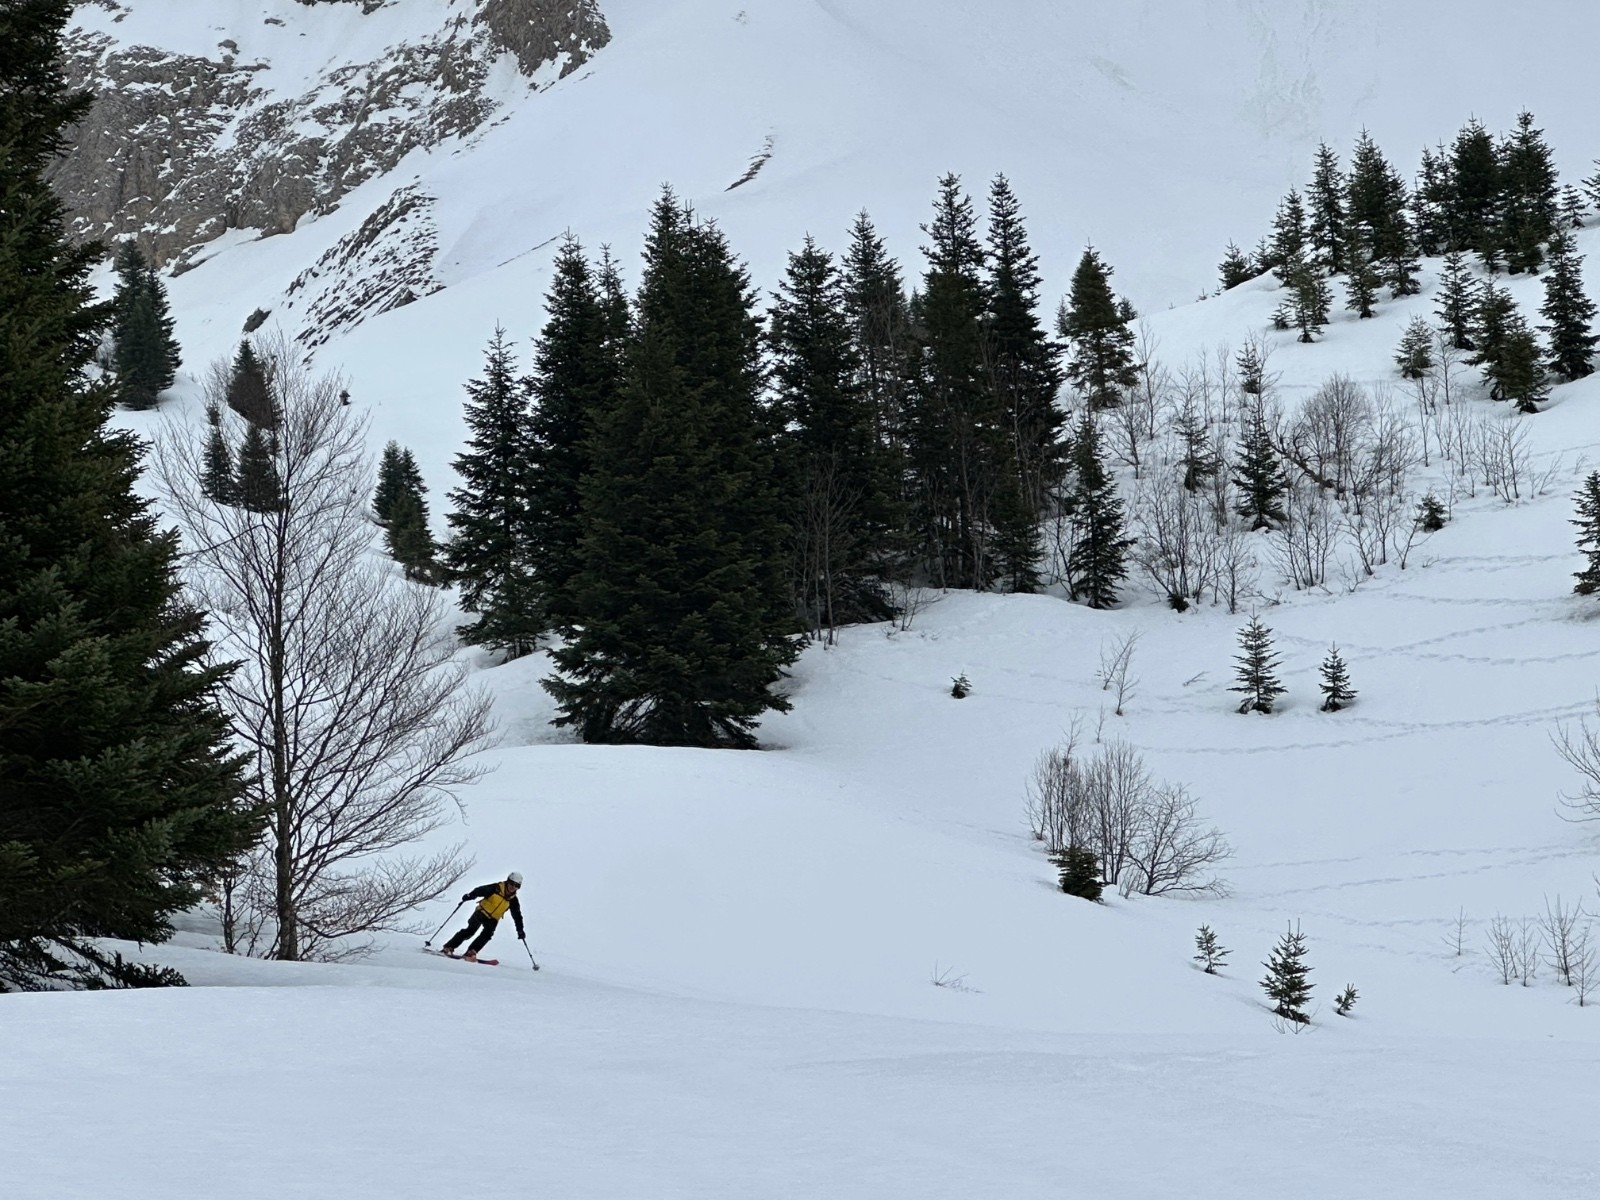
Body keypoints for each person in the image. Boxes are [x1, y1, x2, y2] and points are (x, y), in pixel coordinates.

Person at [441, 872, 526, 961]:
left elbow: (517, 916)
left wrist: (520, 930)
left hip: (493, 919)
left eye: (516, 886)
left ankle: (471, 952)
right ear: (507, 882)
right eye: (511, 883)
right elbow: (480, 890)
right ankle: (448, 947)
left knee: (487, 934)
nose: (513, 887)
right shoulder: (496, 888)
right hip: (481, 912)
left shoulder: (513, 900)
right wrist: (471, 895)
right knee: (471, 930)